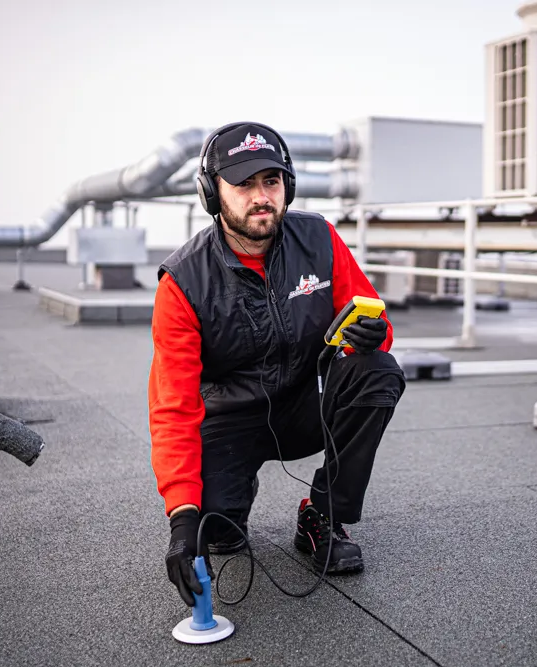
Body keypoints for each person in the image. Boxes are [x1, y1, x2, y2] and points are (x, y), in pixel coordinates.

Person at [147, 122, 406, 606]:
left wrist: (374, 333)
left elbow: (372, 318)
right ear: (211, 192)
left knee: (378, 370)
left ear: (288, 185)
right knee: (218, 535)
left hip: (306, 405)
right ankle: (222, 507)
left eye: (271, 181)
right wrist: (182, 518)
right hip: (228, 420)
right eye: (243, 184)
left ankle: (324, 515)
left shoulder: (319, 239)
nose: (260, 196)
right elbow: (172, 408)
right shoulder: (182, 282)